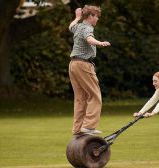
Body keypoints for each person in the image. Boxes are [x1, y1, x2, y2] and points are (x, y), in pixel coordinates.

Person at [68, 5, 111, 135]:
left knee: (80, 98)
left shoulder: (79, 26)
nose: (97, 19)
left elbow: (70, 27)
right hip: (83, 65)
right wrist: (99, 43)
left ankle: (78, 129)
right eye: (96, 16)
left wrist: (77, 17)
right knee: (95, 95)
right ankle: (89, 126)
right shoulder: (87, 28)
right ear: (90, 16)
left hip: (73, 64)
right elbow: (89, 39)